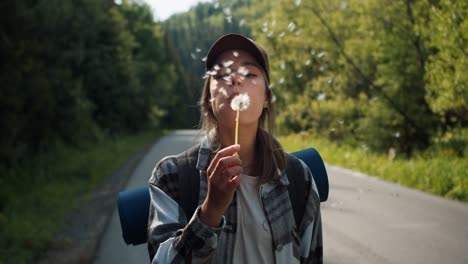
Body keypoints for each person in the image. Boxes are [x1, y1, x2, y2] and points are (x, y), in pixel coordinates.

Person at [147, 33, 322, 263]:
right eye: (221, 74)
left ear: (267, 98)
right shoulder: (171, 176)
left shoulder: (299, 178)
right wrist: (210, 211)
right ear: (209, 99)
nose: (236, 80)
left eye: (250, 73)